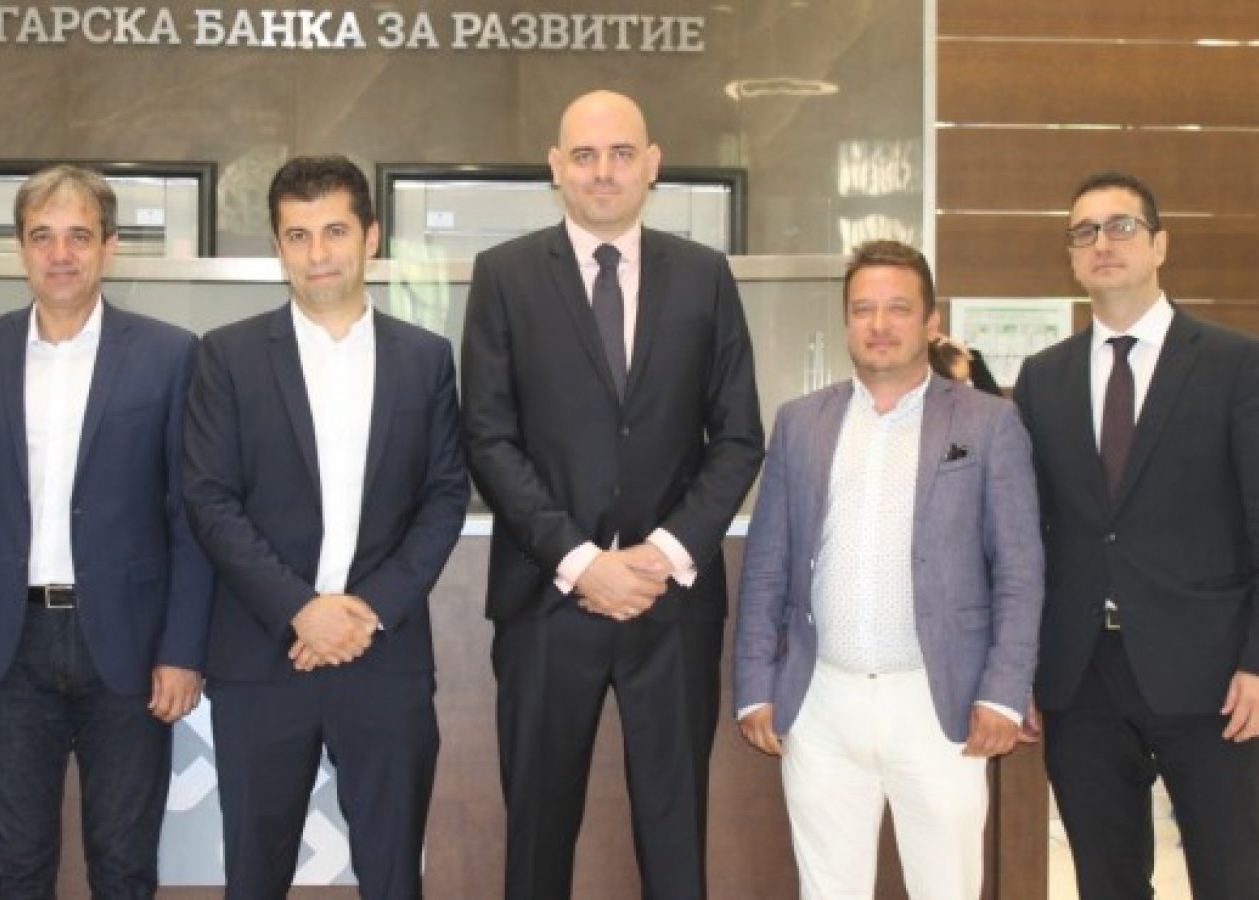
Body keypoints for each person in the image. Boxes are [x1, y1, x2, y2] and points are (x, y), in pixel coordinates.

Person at [461, 89, 765, 899]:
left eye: (622, 154)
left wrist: (659, 556)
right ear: (556, 167)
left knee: (676, 838)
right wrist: (582, 562)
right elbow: (487, 439)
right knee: (537, 838)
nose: (604, 171)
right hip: (545, 601)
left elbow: (739, 436)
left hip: (672, 608)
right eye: (586, 155)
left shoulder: (704, 276)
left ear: (652, 165)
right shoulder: (505, 276)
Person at [0, 164, 214, 898]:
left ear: (109, 247)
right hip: (6, 647)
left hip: (130, 647)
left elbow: (191, 515)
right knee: (15, 869)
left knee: (124, 867)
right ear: (20, 248)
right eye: (42, 237)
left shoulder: (170, 355)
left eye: (79, 237)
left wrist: (183, 650)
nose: (61, 254)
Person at [183, 155, 468, 900]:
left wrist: (366, 611)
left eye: (335, 231)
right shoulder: (228, 356)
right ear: (278, 246)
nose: (318, 253)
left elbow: (444, 497)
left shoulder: (425, 359)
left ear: (370, 237)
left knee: (394, 876)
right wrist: (300, 610)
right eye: (298, 235)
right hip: (262, 657)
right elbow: (210, 499)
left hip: (385, 659)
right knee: (255, 875)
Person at [734, 239, 1043, 898]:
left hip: (939, 703)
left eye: (898, 308)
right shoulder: (800, 423)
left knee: (946, 887)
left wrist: (1002, 691)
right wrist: (756, 685)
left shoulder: (990, 424)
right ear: (846, 321)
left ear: (931, 323)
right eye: (863, 309)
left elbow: (1019, 567)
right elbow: (767, 564)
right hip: (821, 701)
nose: (879, 324)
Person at [1014, 171, 1259, 899]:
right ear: (1071, 257)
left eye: (1121, 226)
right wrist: (1018, 669)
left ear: (1160, 245)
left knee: (1234, 879)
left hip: (1213, 679)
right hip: (1081, 676)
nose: (1103, 243)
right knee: (1106, 884)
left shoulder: (1235, 364)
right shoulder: (1043, 378)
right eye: (1084, 232)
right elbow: (1029, 537)